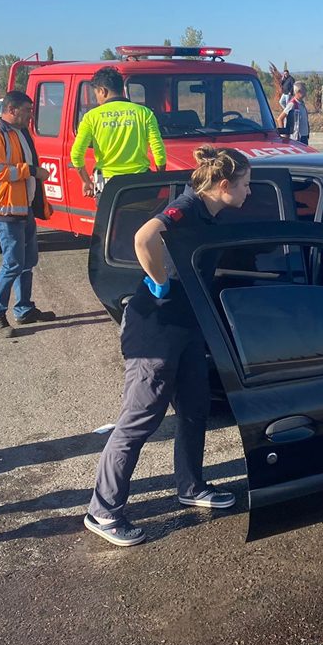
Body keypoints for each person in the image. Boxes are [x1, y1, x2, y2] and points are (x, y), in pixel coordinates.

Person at [85, 146, 251, 546]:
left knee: (195, 409)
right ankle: (102, 511)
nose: (249, 192)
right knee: (139, 419)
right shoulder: (187, 206)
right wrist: (158, 281)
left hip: (187, 327)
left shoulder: (211, 213)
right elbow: (145, 237)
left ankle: (190, 486)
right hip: (156, 328)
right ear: (223, 184)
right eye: (246, 185)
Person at [0, 90, 56, 337]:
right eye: (27, 110)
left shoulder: (19, 133)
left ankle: (24, 310)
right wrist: (31, 170)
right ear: (12, 110)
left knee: (27, 263)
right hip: (4, 209)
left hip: (23, 207)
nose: (31, 116)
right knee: (12, 264)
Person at [71, 66, 165, 197]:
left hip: (106, 183)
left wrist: (86, 181)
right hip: (141, 181)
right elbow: (159, 151)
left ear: (102, 91)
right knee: (144, 217)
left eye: (96, 94)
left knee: (108, 218)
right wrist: (159, 178)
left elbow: (76, 155)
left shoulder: (91, 117)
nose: (97, 99)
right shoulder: (144, 113)